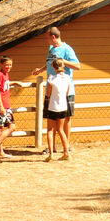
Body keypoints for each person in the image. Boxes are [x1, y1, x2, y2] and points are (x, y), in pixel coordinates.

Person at [33, 26, 80, 154]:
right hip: (51, 89)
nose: (46, 40)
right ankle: (51, 147)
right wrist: (41, 69)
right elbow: (50, 62)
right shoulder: (51, 49)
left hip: (65, 91)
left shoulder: (67, 49)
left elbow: (77, 66)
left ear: (53, 37)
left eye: (47, 38)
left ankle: (66, 146)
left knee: (66, 118)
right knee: (51, 119)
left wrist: (63, 61)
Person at [43, 61, 74, 160]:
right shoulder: (67, 78)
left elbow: (48, 94)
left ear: (54, 67)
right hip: (63, 106)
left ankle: (51, 154)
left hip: (53, 106)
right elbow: (67, 92)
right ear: (63, 66)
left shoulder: (51, 78)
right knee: (61, 130)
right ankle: (66, 152)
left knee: (50, 130)